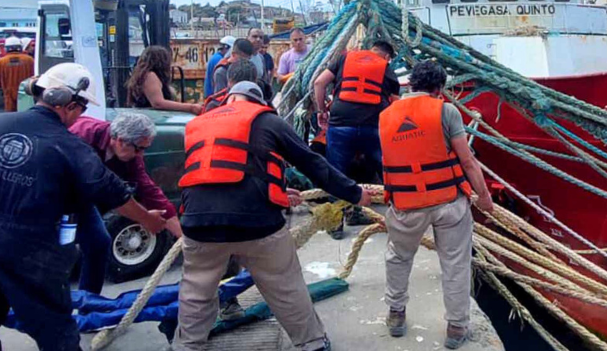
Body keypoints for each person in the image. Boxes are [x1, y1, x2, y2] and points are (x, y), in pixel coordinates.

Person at [0, 63, 167, 351]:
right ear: (70, 105)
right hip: (27, 248)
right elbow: (112, 193)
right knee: (55, 330)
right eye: (82, 107)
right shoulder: (69, 146)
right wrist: (147, 220)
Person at [174, 80, 373, 351]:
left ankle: (186, 346)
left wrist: (277, 189)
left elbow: (217, 171)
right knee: (285, 286)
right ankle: (313, 343)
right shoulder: (267, 120)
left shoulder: (197, 125)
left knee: (195, 293)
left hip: (199, 224)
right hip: (257, 224)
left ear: (229, 98)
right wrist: (354, 193)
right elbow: (313, 164)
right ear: (260, 101)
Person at [380, 60, 494, 349]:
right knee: (455, 262)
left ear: (412, 84)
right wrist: (484, 195)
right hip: (448, 201)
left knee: (398, 258)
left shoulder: (386, 115)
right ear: (439, 88)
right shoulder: (446, 111)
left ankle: (396, 314)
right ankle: (456, 327)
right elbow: (467, 160)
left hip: (405, 204)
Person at [69, 112, 179, 294]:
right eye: (139, 149)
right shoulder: (81, 136)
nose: (141, 154)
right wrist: (145, 218)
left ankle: (89, 300)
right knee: (60, 255)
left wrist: (183, 238)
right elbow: (112, 193)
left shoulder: (131, 155)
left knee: (99, 242)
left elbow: (148, 189)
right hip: (55, 194)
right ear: (120, 140)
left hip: (84, 199)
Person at [312, 40, 400, 239]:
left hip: (341, 125)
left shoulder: (345, 58)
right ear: (387, 57)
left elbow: (319, 83)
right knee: (386, 171)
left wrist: (321, 111)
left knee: (337, 173)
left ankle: (337, 224)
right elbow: (395, 104)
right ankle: (400, 220)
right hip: (373, 128)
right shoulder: (386, 68)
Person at [127, 46, 201, 114]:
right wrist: (190, 107)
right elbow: (158, 103)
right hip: (154, 118)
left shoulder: (144, 74)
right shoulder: (150, 76)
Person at [0, 36, 35, 112]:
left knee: (11, 116)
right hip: (26, 94)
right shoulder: (29, 60)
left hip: (9, 95)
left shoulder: (2, 62)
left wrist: (0, 86)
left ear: (6, 48)